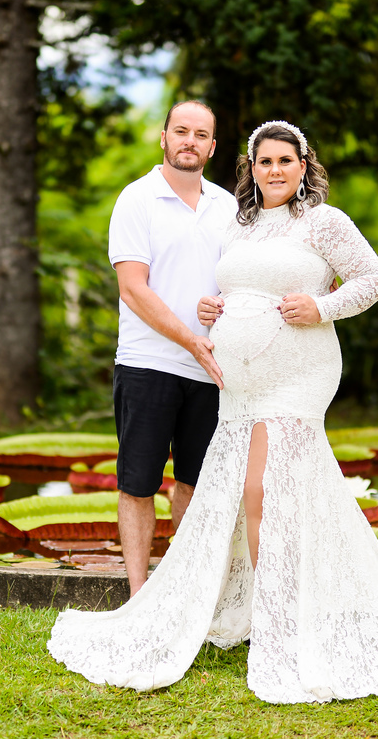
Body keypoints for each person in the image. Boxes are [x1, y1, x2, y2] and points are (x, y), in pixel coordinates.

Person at [48, 120, 378, 704]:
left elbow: (375, 280)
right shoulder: (239, 225)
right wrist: (213, 307)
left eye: (284, 161)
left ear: (303, 164)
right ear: (251, 167)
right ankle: (265, 602)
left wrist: (321, 305)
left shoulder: (324, 221)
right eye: (264, 162)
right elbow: (237, 290)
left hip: (299, 375)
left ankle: (277, 618)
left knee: (261, 492)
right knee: (254, 492)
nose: (274, 171)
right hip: (239, 387)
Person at [106, 100, 238, 596]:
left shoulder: (227, 207)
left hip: (212, 370)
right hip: (148, 364)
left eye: (200, 134)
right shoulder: (136, 200)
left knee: (195, 486)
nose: (189, 141)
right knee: (138, 484)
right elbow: (133, 289)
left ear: (212, 146)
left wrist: (223, 306)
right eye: (180, 131)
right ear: (163, 137)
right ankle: (140, 595)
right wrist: (191, 340)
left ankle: (182, 597)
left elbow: (238, 281)